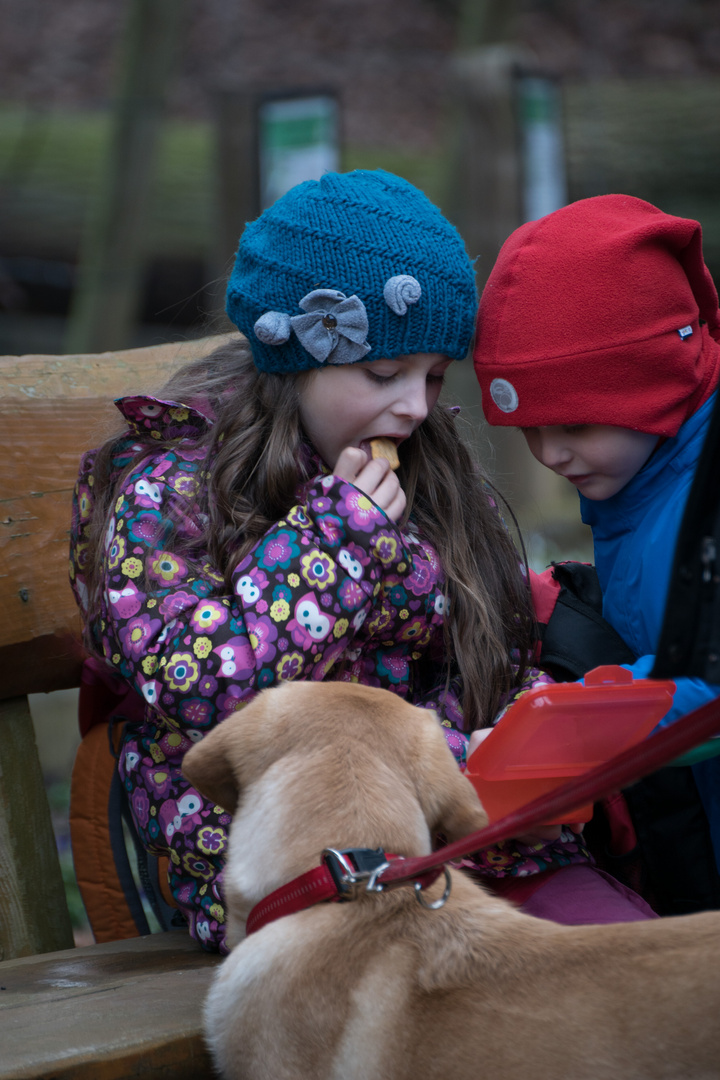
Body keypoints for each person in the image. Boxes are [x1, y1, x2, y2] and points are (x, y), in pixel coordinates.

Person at [69, 171, 652, 952]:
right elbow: (204, 692)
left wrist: (522, 728)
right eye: (384, 375)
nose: (415, 405)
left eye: (434, 376)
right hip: (298, 861)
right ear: (292, 360)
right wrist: (337, 543)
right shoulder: (168, 494)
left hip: (473, 834)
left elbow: (496, 641)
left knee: (618, 955)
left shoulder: (426, 466)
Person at [474, 193, 720, 910]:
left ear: (653, 381)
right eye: (528, 430)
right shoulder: (644, 472)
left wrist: (563, 726)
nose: (551, 454)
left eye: (576, 423)